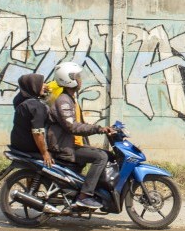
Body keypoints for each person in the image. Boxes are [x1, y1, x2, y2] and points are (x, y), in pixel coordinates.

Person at [47, 62, 114, 209]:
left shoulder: (71, 99)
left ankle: (92, 191)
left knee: (108, 155)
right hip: (66, 148)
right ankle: (84, 196)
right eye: (76, 77)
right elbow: (71, 126)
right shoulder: (63, 101)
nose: (80, 79)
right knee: (101, 157)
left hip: (73, 144)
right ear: (68, 79)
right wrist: (99, 129)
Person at [10, 73, 54, 167]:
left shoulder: (20, 101)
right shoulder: (36, 107)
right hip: (30, 145)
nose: (44, 86)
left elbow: (32, 94)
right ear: (34, 86)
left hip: (18, 143)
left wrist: (43, 90)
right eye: (41, 84)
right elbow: (38, 133)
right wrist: (44, 153)